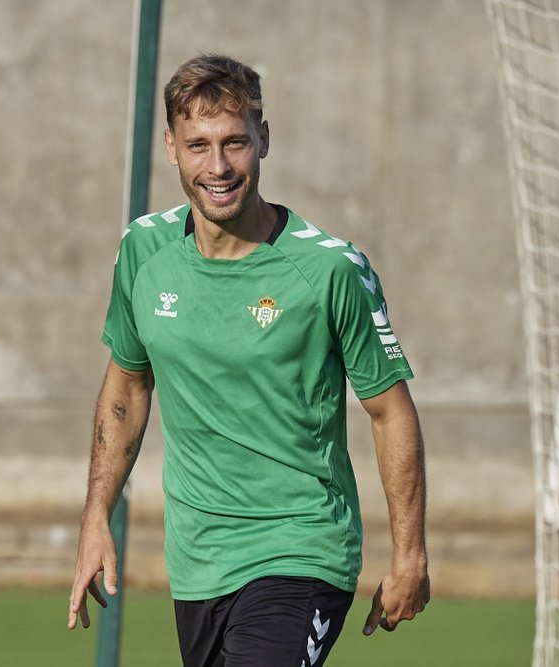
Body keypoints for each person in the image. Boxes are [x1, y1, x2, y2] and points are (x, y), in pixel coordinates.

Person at [67, 53, 430, 667]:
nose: (218, 166)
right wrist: (95, 517)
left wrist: (410, 553)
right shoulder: (144, 250)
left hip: (302, 547)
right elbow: (126, 389)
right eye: (199, 145)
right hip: (198, 563)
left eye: (235, 143)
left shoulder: (330, 269)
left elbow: (391, 412)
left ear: (264, 139)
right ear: (171, 147)